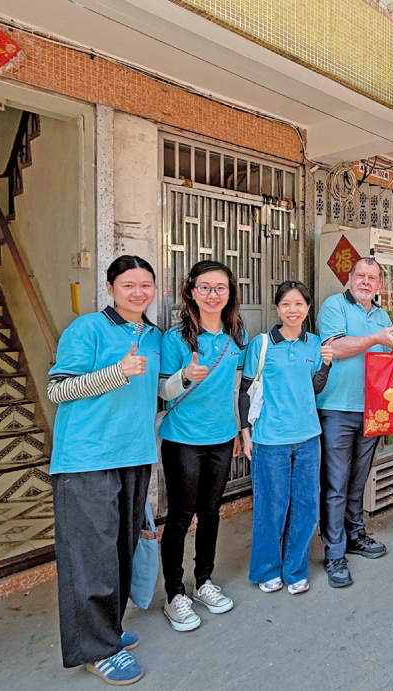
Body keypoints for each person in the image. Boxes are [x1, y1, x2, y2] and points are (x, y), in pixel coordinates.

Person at [47, 256, 161, 686]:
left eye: (146, 284)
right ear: (111, 288)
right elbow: (58, 388)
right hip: (86, 459)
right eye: (128, 285)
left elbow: (156, 391)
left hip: (134, 455)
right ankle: (97, 649)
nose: (138, 292)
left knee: (118, 552)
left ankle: (107, 629)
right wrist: (116, 372)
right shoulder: (87, 328)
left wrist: (185, 378)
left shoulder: (152, 336)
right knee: (90, 559)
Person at [156, 261, 247, 632]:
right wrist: (184, 376)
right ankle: (174, 594)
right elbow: (163, 392)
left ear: (230, 293)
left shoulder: (236, 336)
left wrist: (239, 431)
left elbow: (236, 389)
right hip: (183, 440)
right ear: (191, 292)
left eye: (220, 288)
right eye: (205, 287)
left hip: (222, 438)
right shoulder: (175, 339)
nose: (213, 295)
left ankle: (204, 581)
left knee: (211, 512)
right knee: (180, 516)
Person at [240, 281, 333, 596]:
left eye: (299, 304)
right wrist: (246, 433)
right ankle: (267, 569)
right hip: (270, 439)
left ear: (308, 308)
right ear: (277, 308)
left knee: (306, 505)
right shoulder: (262, 344)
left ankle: (295, 570)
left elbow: (315, 387)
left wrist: (327, 365)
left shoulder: (315, 344)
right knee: (271, 507)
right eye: (286, 304)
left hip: (308, 437)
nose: (293, 310)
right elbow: (245, 390)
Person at [316, 258, 393, 587]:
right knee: (335, 483)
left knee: (357, 479)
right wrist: (375, 338)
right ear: (350, 278)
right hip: (336, 408)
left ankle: (354, 534)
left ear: (379, 285)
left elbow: (389, 361)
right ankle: (334, 553)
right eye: (360, 275)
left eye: (372, 278)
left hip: (372, 409)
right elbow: (334, 347)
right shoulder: (334, 305)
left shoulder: (381, 316)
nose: (366, 282)